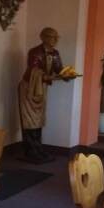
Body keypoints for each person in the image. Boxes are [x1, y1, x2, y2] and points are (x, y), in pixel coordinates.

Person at [18, 27, 63, 163]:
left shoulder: (55, 53)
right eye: (52, 37)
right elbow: (34, 71)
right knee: (29, 120)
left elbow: (59, 69)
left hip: (41, 89)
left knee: (38, 120)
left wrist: (67, 74)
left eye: (56, 37)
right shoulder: (35, 52)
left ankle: (38, 148)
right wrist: (46, 77)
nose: (55, 40)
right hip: (29, 88)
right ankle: (31, 151)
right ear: (43, 37)